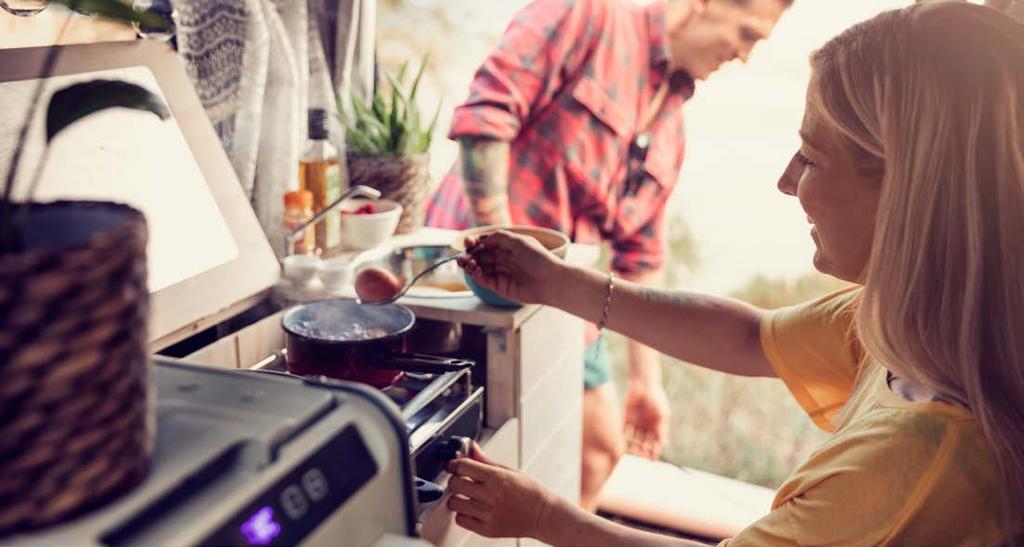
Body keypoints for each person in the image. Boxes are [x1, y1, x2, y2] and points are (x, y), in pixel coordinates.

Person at [447, 3, 1024, 545]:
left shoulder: (918, 460)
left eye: (813, 159)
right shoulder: (908, 324)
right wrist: (555, 282)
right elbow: (750, 336)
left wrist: (543, 518)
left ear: (910, 195)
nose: (785, 180)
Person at [424, 0, 791, 510]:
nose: (745, 56)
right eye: (747, 34)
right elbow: (486, 120)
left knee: (598, 448)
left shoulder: (671, 130)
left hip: (561, 308)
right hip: (469, 286)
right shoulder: (585, 16)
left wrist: (646, 384)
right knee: (464, 452)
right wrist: (498, 254)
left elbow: (639, 257)